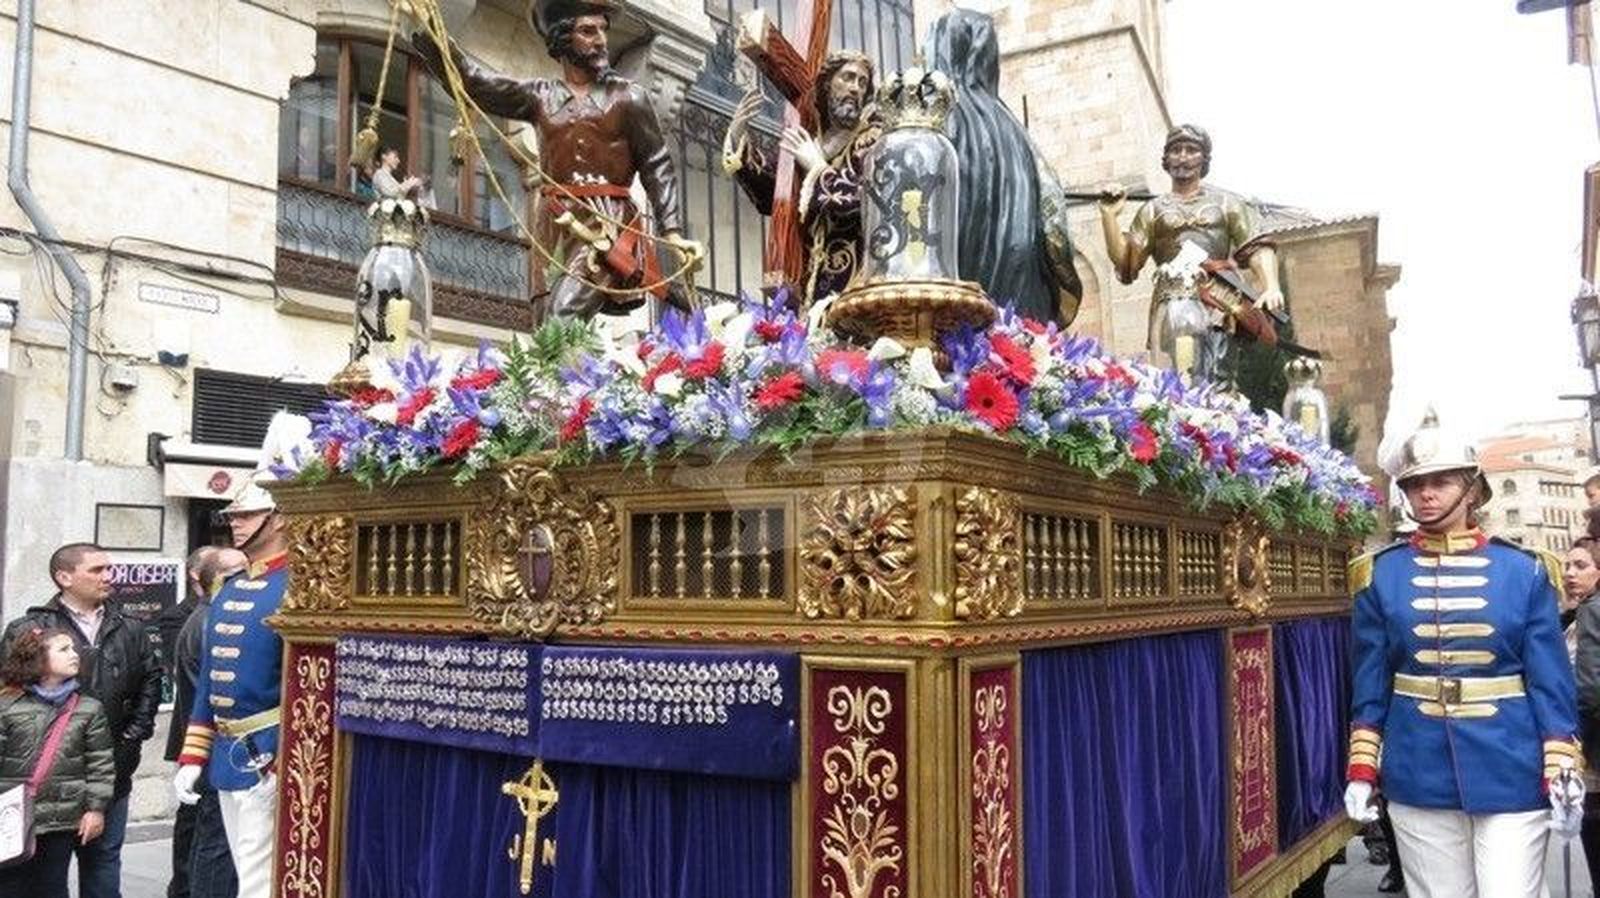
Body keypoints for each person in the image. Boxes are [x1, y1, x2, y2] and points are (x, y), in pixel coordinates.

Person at [1344, 408, 1582, 898]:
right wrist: (1363, 769)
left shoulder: (1526, 571)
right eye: (1414, 484)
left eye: (1440, 481)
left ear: (1472, 488)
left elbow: (1550, 682)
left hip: (1511, 763)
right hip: (1417, 767)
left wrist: (1561, 766)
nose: (1426, 494)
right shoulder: (1378, 574)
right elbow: (1370, 683)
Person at [410, 0, 704, 319]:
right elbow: (474, 82)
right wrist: (430, 33)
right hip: (551, 223)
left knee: (561, 318)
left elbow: (656, 164)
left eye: (603, 30)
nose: (601, 40)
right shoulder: (540, 95)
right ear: (563, 39)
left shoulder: (630, 98)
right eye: (588, 31)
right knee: (541, 320)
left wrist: (672, 231)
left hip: (606, 222)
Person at [173, 413, 309, 898]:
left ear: (280, 517)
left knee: (259, 879)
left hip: (268, 754)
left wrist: (282, 752)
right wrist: (194, 753)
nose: (234, 522)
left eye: (247, 515)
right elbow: (211, 681)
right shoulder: (230, 589)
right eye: (232, 515)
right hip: (229, 756)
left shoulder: (299, 587)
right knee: (242, 867)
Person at [0, 544, 161, 898]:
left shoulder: (129, 626)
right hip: (46, 779)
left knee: (103, 862)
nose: (108, 576)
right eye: (97, 570)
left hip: (111, 765)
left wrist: (135, 734)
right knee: (37, 873)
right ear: (64, 577)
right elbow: (9, 690)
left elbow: (151, 680)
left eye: (109, 568)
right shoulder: (31, 627)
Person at [923, 8, 1082, 324]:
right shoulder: (1015, 130)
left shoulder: (933, 119)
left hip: (950, 303)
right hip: (1021, 299)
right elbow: (1054, 225)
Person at [1097, 125, 1285, 387]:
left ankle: (1222, 423)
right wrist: (1109, 217)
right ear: (1166, 159)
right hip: (1170, 304)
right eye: (1176, 150)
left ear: (1203, 158)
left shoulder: (1227, 203)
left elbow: (1255, 246)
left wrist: (1271, 285)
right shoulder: (1152, 210)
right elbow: (1127, 264)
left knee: (1219, 376)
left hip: (1219, 298)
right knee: (1176, 379)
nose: (1183, 157)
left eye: (1191, 150)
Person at [722, 50, 878, 307]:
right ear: (827, 84)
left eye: (862, 82)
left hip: (854, 283)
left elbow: (863, 202)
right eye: (848, 78)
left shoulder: (872, 139)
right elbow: (773, 189)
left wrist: (816, 167)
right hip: (807, 280)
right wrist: (738, 135)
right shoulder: (810, 138)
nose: (855, 88)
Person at [0, 628, 114, 898]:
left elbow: (100, 764)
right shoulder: (8, 706)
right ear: (38, 658)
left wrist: (95, 809)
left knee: (52, 886)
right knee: (9, 886)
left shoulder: (88, 708)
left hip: (59, 819)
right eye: (63, 649)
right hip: (12, 817)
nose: (74, 655)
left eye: (73, 649)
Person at [164, 547, 246, 898]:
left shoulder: (209, 617)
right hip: (218, 746)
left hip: (213, 747)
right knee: (213, 842)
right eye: (239, 573)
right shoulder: (210, 621)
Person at [1567, 537, 1600, 892]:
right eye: (1567, 566)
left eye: (1581, 566)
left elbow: (1589, 685)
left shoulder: (1591, 609)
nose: (1570, 573)